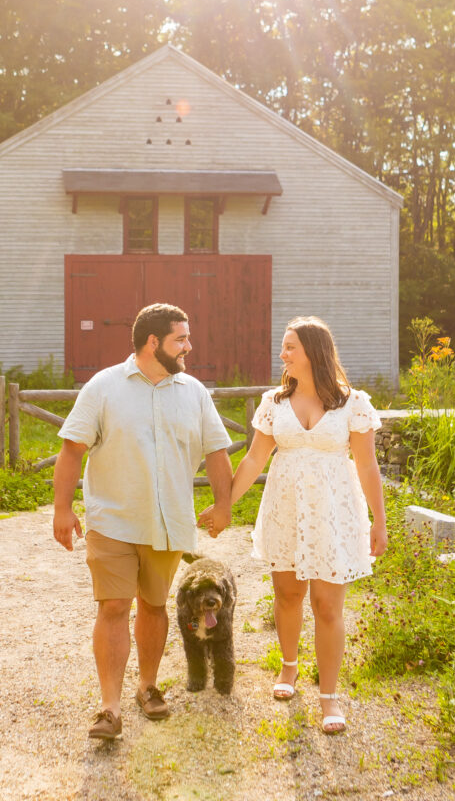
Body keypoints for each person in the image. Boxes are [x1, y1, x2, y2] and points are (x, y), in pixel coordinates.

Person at [52, 302, 233, 741]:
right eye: (181, 339)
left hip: (169, 521)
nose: (189, 346)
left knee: (153, 606)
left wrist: (224, 505)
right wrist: (62, 509)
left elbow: (216, 453)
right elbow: (72, 450)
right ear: (154, 342)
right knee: (113, 606)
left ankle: (147, 686)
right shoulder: (103, 387)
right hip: (112, 519)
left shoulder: (194, 392)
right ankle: (109, 709)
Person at [198, 316, 387, 734]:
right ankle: (288, 668)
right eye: (283, 347)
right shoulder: (274, 403)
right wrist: (224, 504)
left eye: (289, 348)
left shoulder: (352, 403)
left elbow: (368, 466)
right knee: (287, 594)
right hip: (285, 508)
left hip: (334, 513)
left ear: (313, 353)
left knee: (327, 605)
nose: (282, 355)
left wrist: (379, 520)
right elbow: (252, 461)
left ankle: (329, 696)